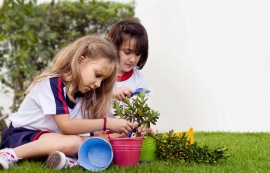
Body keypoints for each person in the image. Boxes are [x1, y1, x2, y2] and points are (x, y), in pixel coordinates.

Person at [0, 35, 134, 170]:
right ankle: (8, 154)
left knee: (91, 141)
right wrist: (108, 123)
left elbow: (83, 131)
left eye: (102, 80)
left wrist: (121, 133)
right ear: (80, 61)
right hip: (20, 136)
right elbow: (66, 126)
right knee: (74, 142)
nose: (98, 84)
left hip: (51, 138)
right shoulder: (53, 83)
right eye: (97, 75)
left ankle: (60, 159)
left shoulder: (83, 94)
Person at [107, 19, 149, 101]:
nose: (133, 59)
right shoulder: (99, 73)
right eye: (127, 52)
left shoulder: (140, 80)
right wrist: (110, 93)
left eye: (138, 54)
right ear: (113, 47)